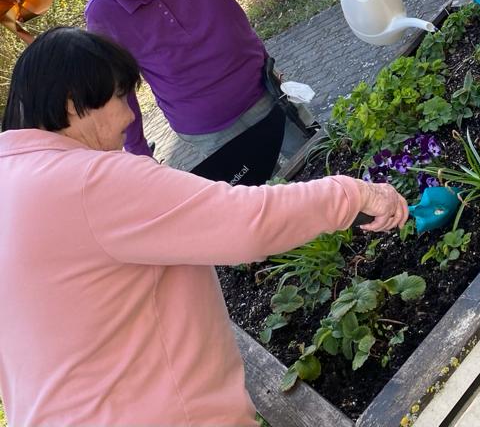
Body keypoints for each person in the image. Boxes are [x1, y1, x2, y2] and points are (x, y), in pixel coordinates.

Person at [0, 27, 407, 427]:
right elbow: (249, 224)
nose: (128, 115)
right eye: (120, 96)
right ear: (73, 105)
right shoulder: (87, 181)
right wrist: (353, 194)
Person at [80, 0, 369, 171]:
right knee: (264, 200)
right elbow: (119, 87)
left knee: (326, 161)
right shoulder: (103, 15)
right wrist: (139, 152)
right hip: (209, 130)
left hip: (264, 93)